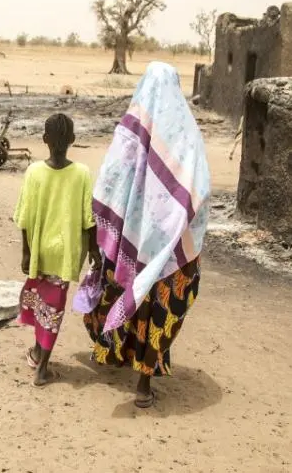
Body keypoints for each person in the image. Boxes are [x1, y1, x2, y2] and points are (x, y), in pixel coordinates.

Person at [83, 61, 211, 408]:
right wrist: (171, 221)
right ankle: (143, 384)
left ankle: (114, 355)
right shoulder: (189, 137)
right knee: (158, 311)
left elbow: (110, 180)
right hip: (172, 246)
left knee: (126, 293)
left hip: (129, 238)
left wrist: (118, 224)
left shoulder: (130, 129)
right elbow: (200, 189)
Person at [13, 113, 101, 386]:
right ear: (72, 139)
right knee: (52, 308)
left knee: (42, 302)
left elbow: (24, 217)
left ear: (44, 139)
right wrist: (94, 250)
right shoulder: (82, 173)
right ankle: (41, 364)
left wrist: (26, 252)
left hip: (39, 250)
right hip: (64, 254)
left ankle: (40, 359)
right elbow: (89, 218)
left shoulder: (34, 172)